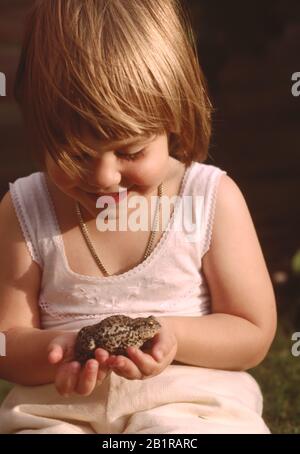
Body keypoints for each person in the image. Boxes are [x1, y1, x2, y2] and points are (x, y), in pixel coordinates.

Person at [0, 0, 277, 434]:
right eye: (76, 154)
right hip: (60, 410)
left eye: (130, 152)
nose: (104, 177)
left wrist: (173, 336)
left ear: (173, 118)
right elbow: (6, 341)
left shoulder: (209, 199)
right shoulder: (25, 209)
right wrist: (58, 347)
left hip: (188, 404)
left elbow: (253, 331)